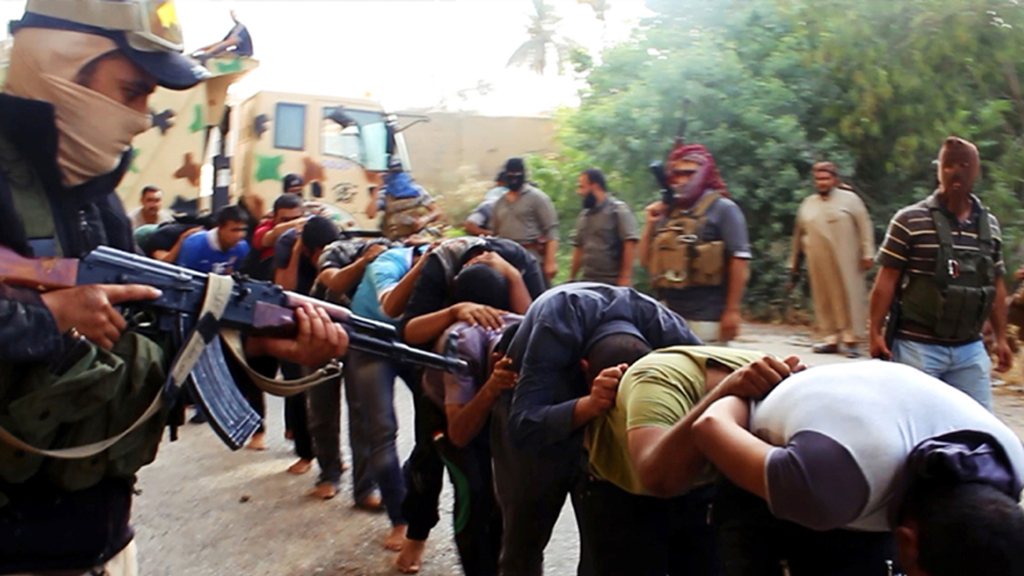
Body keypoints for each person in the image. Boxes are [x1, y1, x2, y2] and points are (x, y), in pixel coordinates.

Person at [0, 2, 346, 574]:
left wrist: (259, 344)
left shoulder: (101, 205)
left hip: (99, 543)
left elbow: (143, 350)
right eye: (132, 89)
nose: (141, 116)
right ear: (62, 62)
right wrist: (51, 315)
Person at [692, 360, 1024, 576]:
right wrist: (740, 390)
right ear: (906, 542)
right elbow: (709, 426)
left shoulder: (1009, 466)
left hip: (861, 445)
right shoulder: (819, 485)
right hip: (778, 464)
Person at [498, 283, 702, 576]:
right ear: (584, 368)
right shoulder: (554, 329)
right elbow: (523, 427)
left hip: (604, 383)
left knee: (609, 531)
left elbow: (708, 387)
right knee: (525, 530)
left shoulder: (667, 329)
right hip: (536, 397)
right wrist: (589, 405)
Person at [585, 347, 800, 576]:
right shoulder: (656, 384)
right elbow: (659, 477)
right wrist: (724, 391)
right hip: (621, 481)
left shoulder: (799, 395)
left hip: (700, 482)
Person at [869, 136, 1013, 409]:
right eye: (949, 166)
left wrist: (1002, 338)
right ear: (938, 170)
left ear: (976, 171)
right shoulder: (910, 220)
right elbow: (886, 281)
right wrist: (875, 331)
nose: (957, 172)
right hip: (917, 347)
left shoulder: (989, 226)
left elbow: (995, 285)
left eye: (964, 165)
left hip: (970, 349)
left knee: (980, 433)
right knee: (917, 429)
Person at [395, 280, 523, 575]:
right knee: (474, 491)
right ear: (496, 360)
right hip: (444, 410)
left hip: (492, 404)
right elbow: (459, 433)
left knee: (506, 497)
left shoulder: (535, 335)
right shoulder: (461, 343)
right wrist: (492, 388)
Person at [639, 143, 751, 343]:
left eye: (689, 173)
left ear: (705, 174)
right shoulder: (669, 212)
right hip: (669, 315)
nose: (682, 179)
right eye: (677, 173)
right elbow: (645, 261)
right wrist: (650, 224)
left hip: (708, 318)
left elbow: (739, 261)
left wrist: (732, 311)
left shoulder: (724, 209)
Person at [272, 215, 340, 470]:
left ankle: (329, 456)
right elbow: (283, 289)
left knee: (327, 398)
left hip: (327, 325)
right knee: (298, 389)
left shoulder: (337, 253)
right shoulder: (289, 248)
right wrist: (296, 250)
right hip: (292, 324)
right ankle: (305, 453)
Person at [789, 162, 874, 358]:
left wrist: (868, 252)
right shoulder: (808, 203)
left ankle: (851, 339)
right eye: (818, 179)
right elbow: (798, 234)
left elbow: (865, 225)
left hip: (848, 258)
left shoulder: (850, 199)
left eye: (826, 178)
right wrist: (793, 263)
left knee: (849, 294)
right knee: (823, 296)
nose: (822, 182)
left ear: (835, 179)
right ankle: (830, 338)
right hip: (817, 259)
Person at [491, 158, 560, 283]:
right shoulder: (500, 203)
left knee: (537, 296)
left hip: (532, 257)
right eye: (510, 174)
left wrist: (550, 261)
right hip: (506, 259)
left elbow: (551, 229)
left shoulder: (537, 197)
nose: (514, 178)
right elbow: (495, 233)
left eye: (517, 174)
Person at [569, 167, 639, 286]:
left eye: (582, 187)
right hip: (588, 280)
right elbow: (579, 248)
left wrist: (626, 277)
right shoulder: (584, 216)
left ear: (595, 186)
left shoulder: (618, 211)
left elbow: (630, 243)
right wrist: (571, 278)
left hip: (612, 281)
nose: (579, 192)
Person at [366, 159, 442, 241]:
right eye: (391, 174)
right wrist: (377, 187)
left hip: (417, 235)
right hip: (393, 238)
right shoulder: (384, 193)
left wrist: (425, 219)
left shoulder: (416, 190)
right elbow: (370, 214)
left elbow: (437, 211)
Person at [176, 204, 250, 274]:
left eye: (243, 230)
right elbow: (183, 280)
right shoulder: (193, 245)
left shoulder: (242, 247)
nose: (240, 235)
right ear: (219, 228)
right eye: (234, 230)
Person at [463, 171, 508, 236]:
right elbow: (469, 225)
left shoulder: (489, 203)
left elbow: (469, 225)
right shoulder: (490, 205)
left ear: (498, 183)